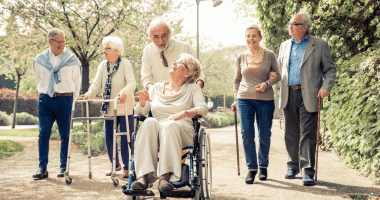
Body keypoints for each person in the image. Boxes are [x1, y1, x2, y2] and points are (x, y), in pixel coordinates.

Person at [131, 53, 207, 192]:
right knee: (149, 122)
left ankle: (164, 177)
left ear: (189, 73)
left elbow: (203, 108)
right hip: (158, 129)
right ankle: (143, 176)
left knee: (170, 124)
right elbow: (139, 114)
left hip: (181, 129)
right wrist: (142, 103)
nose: (174, 63)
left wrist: (184, 113)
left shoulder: (193, 88)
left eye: (179, 62)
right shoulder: (155, 88)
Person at [278, 11, 336, 186]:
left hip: (310, 94)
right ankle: (293, 166)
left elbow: (330, 70)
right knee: (291, 133)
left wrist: (326, 87)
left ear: (304, 27)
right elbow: (281, 69)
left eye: (293, 24)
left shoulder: (319, 45)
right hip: (289, 93)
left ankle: (308, 171)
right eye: (290, 23)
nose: (290, 26)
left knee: (307, 133)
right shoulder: (284, 45)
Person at [231, 25, 281, 184]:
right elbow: (237, 80)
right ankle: (252, 168)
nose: (250, 39)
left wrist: (267, 83)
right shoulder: (240, 57)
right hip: (244, 98)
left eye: (254, 36)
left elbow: (278, 76)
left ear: (260, 37)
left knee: (264, 134)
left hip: (265, 99)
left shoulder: (269, 55)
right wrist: (235, 99)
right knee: (246, 133)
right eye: (248, 36)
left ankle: (263, 165)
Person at [81, 36, 136, 178]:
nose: (104, 51)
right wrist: (88, 94)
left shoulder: (125, 64)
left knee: (126, 138)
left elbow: (132, 83)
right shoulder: (102, 65)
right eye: (104, 48)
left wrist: (124, 91)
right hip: (109, 109)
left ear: (116, 51)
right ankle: (114, 164)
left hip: (124, 108)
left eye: (107, 48)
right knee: (109, 137)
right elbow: (96, 84)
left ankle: (127, 167)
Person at [32, 28, 81, 179]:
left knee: (65, 135)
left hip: (65, 100)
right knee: (43, 133)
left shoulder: (72, 60)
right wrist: (45, 92)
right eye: (58, 42)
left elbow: (77, 81)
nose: (61, 45)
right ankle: (42, 168)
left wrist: (73, 99)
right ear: (50, 42)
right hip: (45, 100)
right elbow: (38, 80)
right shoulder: (39, 60)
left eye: (63, 42)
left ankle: (63, 167)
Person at [141, 18, 206, 91]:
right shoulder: (147, 51)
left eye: (164, 35)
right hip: (159, 97)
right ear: (150, 37)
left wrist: (196, 91)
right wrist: (156, 94)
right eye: (156, 37)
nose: (161, 41)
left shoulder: (184, 47)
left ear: (169, 33)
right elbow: (146, 78)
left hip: (183, 95)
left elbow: (199, 73)